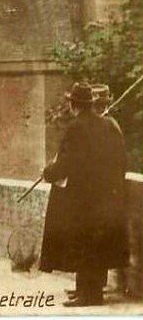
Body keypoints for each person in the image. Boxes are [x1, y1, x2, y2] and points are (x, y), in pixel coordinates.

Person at [40, 82, 128, 307]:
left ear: (72, 104)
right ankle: (87, 289)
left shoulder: (76, 127)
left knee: (82, 243)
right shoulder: (108, 125)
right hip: (105, 196)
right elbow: (121, 160)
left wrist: (49, 172)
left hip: (81, 198)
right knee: (95, 244)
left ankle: (90, 295)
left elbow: (67, 161)